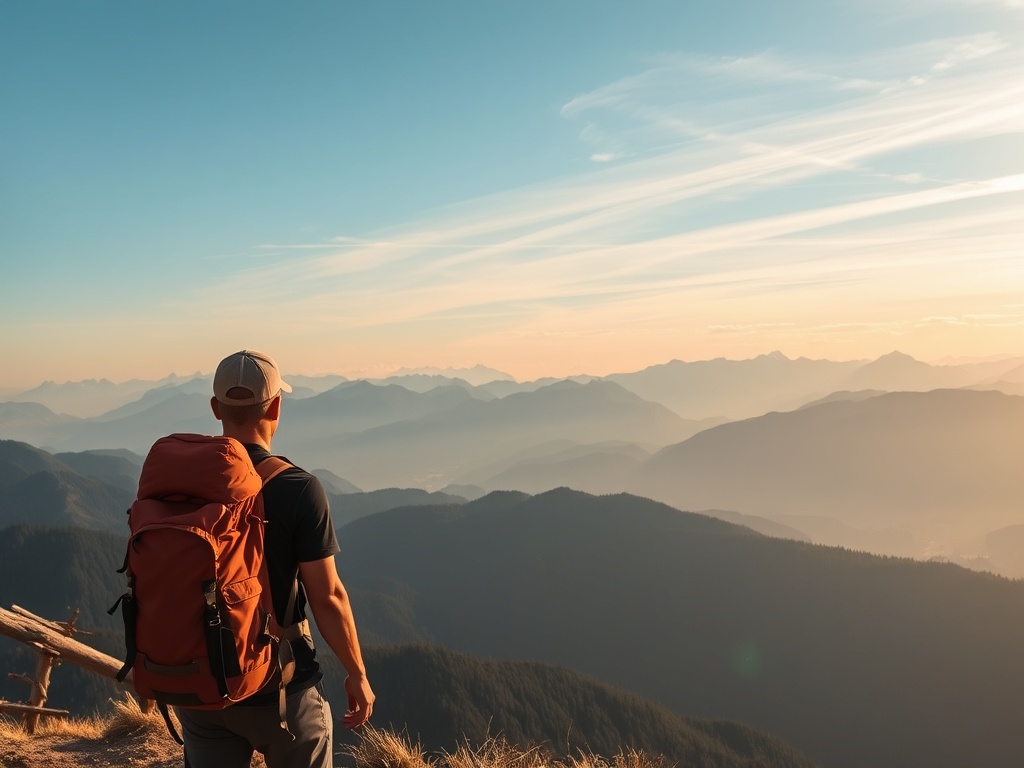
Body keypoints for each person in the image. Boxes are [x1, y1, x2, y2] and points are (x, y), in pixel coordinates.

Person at [176, 349, 375, 768]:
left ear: (215, 409)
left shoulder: (181, 482)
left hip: (202, 687)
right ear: (277, 405)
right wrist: (356, 673)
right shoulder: (299, 488)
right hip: (282, 688)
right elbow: (329, 597)